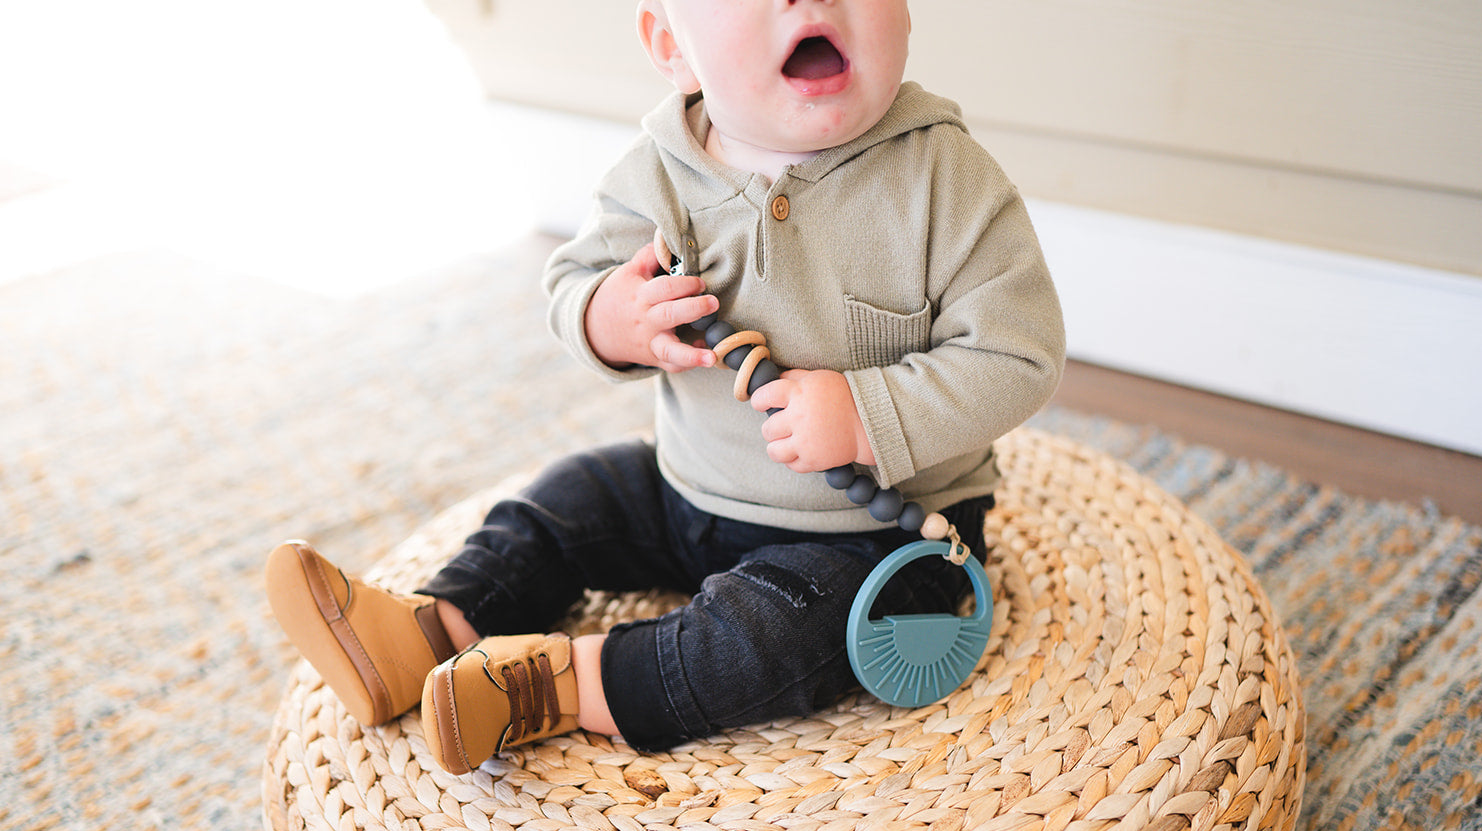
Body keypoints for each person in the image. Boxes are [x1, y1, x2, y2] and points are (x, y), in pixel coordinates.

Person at [265, 0, 1066, 774]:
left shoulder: (944, 178)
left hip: (876, 538)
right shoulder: (661, 170)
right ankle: (432, 627)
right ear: (671, 46)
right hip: (689, 489)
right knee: (570, 496)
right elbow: (574, 283)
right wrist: (611, 317)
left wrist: (869, 415)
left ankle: (565, 683)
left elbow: (1020, 353)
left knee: (766, 640)